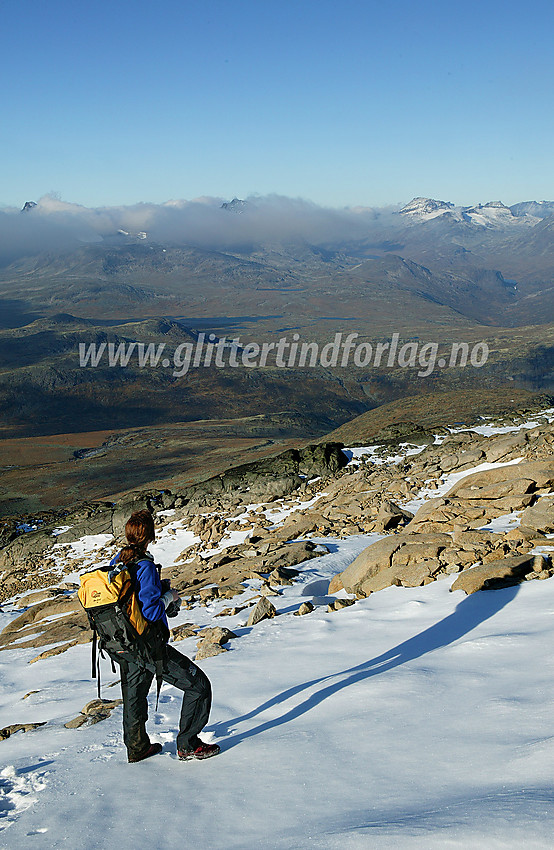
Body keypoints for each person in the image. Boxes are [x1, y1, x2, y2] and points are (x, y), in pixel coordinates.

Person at [109, 509, 220, 764]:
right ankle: (188, 745)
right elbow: (150, 610)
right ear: (150, 535)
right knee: (199, 687)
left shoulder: (120, 559)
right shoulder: (145, 566)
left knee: (134, 698)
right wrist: (170, 597)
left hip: (125, 644)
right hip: (149, 646)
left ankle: (137, 748)